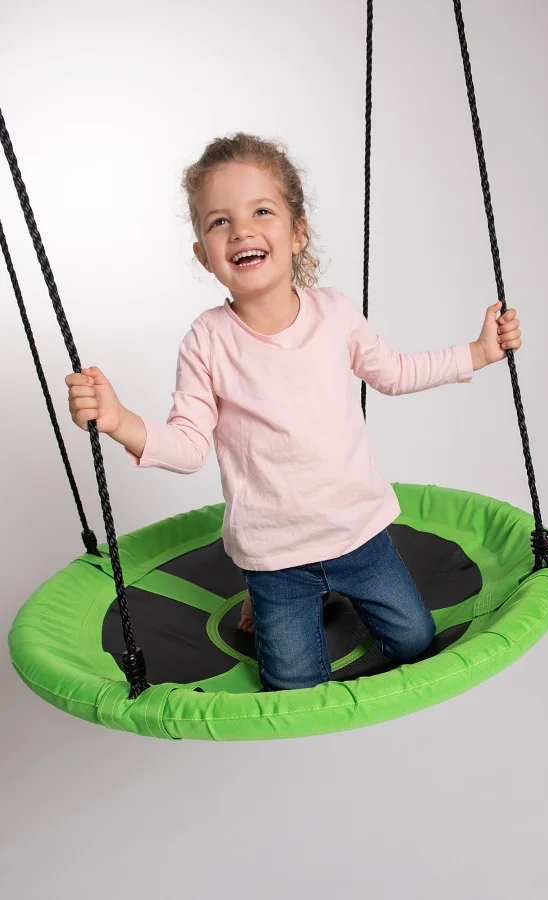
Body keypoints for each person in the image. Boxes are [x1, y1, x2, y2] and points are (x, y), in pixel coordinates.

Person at [66, 133, 522, 692]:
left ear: (297, 232)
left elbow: (396, 373)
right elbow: (188, 447)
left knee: (413, 640)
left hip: (358, 534)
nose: (242, 231)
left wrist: (478, 353)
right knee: (293, 681)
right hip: (275, 557)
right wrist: (118, 421)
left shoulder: (334, 314)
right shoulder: (207, 341)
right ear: (203, 254)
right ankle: (260, 598)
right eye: (220, 222)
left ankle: (315, 592)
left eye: (261, 211)